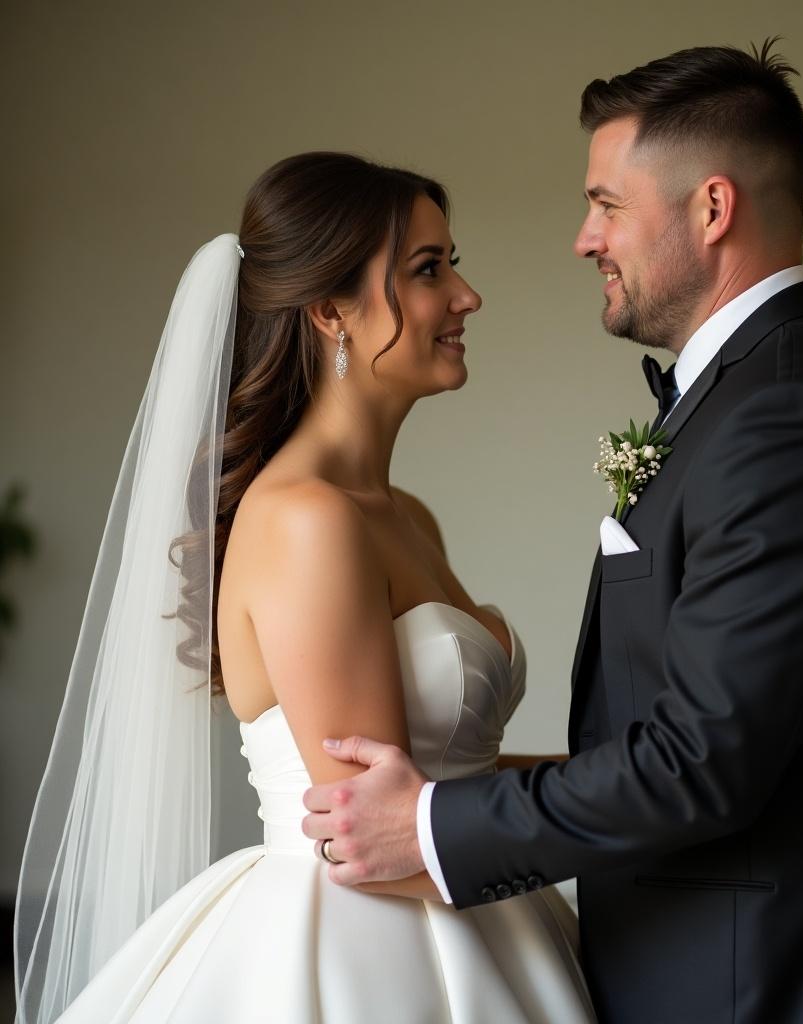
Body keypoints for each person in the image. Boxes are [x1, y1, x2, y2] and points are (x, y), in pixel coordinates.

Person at [302, 43, 803, 1023]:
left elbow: (702, 757)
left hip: (782, 981)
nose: (584, 238)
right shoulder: (748, 397)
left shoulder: (792, 417)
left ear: (711, 210)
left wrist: (434, 822)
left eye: (606, 205)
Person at [14, 152, 595, 1023]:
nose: (466, 296)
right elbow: (375, 833)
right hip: (372, 948)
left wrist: (624, 783)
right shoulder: (307, 520)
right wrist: (634, 826)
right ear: (331, 311)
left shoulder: (403, 514)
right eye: (429, 270)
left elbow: (443, 781)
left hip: (482, 912)